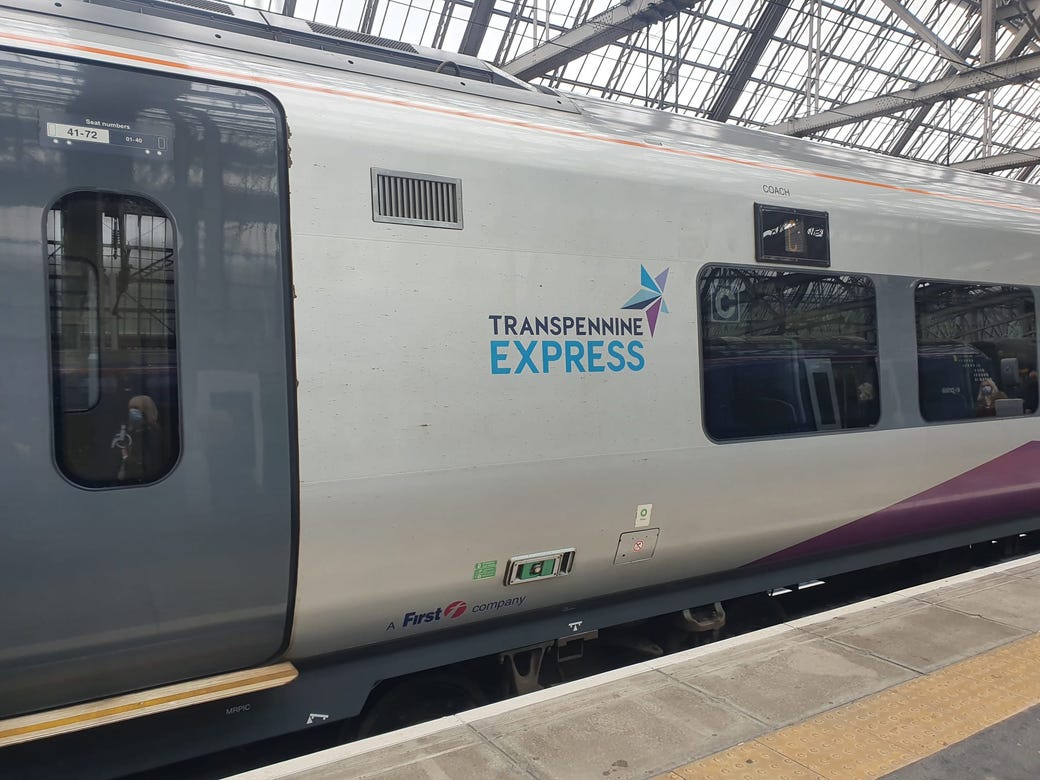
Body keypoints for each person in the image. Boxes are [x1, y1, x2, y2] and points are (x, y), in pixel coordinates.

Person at [117, 395, 164, 482]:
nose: (132, 412)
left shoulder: (153, 431)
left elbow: (151, 459)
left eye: (136, 408)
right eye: (130, 408)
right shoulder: (128, 431)